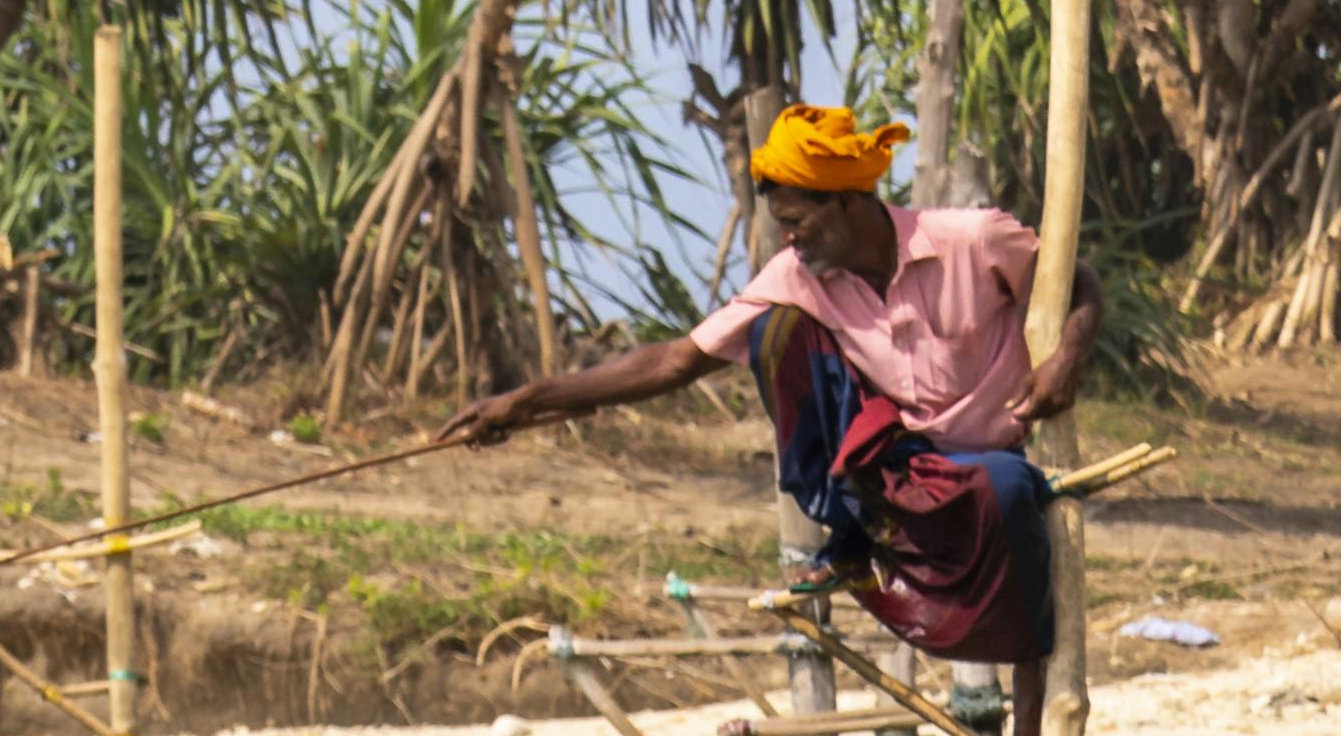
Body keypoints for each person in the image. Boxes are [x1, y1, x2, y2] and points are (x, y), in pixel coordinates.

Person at [444, 104, 1096, 683]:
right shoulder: (797, 275)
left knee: (1015, 493)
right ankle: (851, 525)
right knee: (776, 332)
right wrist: (524, 402)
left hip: (993, 455)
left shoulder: (970, 238)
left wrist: (1066, 356)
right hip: (901, 463)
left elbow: (1080, 283)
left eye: (797, 220)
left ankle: (1035, 697)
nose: (789, 237)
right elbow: (675, 360)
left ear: (845, 201)